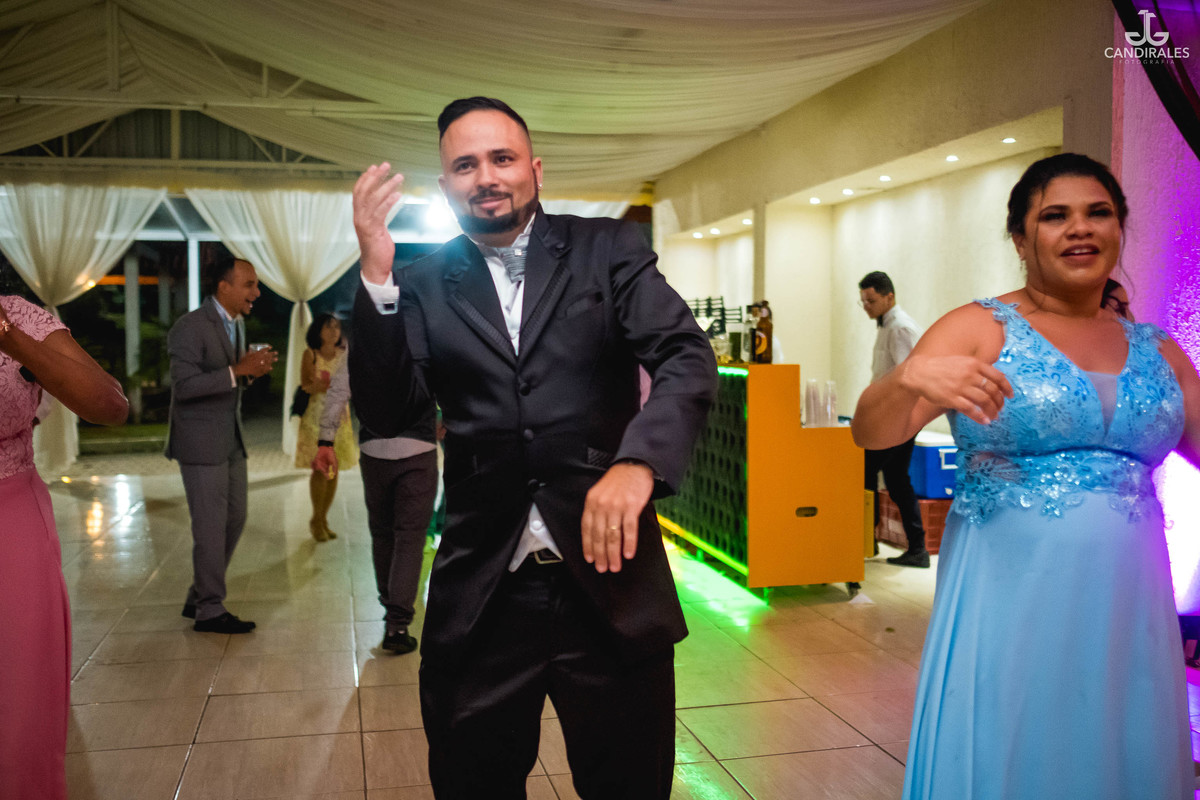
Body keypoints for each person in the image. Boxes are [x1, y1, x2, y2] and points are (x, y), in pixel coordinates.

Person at [350, 97, 717, 799]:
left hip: (611, 585)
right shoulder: (420, 284)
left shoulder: (607, 249)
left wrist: (639, 462)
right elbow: (390, 410)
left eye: (502, 158)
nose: (486, 177)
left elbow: (685, 357)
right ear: (445, 186)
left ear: (535, 169)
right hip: (482, 593)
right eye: (465, 165)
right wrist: (376, 274)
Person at [852, 153, 1200, 799]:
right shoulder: (978, 328)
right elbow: (871, 432)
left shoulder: (1159, 350)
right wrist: (905, 379)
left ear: (1120, 228)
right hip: (1010, 603)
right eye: (1055, 216)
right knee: (1016, 747)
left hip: (1129, 610)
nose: (1080, 228)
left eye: (1098, 213)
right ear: (1020, 239)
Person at [0, 290, 127, 800]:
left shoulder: (18, 317)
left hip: (9, 518)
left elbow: (110, 405)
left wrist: (11, 338)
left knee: (20, 701)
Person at [166, 257, 276, 634]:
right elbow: (184, 387)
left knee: (235, 518)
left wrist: (249, 373)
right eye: (249, 284)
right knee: (210, 528)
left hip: (231, 439)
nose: (256, 292)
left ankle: (199, 594)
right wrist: (236, 371)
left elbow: (229, 378)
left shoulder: (236, 324)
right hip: (200, 444)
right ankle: (210, 609)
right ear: (224, 287)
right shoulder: (189, 327)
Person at [312, 331, 438, 654]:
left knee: (383, 534)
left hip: (374, 451)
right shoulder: (426, 334)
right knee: (410, 537)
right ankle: (398, 624)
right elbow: (452, 379)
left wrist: (326, 440)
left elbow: (339, 389)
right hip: (418, 450)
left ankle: (390, 610)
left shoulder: (362, 342)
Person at [858, 270, 929, 567]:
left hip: (896, 419)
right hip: (891, 417)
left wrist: (887, 419)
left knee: (865, 472)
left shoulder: (900, 328)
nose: (866, 306)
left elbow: (907, 379)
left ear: (889, 297)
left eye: (871, 301)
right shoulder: (886, 325)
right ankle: (916, 548)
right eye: (863, 301)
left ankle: (865, 539)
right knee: (897, 481)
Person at [294, 312, 357, 541]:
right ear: (318, 331)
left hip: (340, 420)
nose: (334, 331)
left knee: (333, 470)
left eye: (336, 327)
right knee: (320, 469)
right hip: (316, 419)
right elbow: (306, 386)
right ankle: (316, 519)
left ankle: (323, 519)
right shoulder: (310, 354)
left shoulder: (344, 354)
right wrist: (325, 385)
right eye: (328, 327)